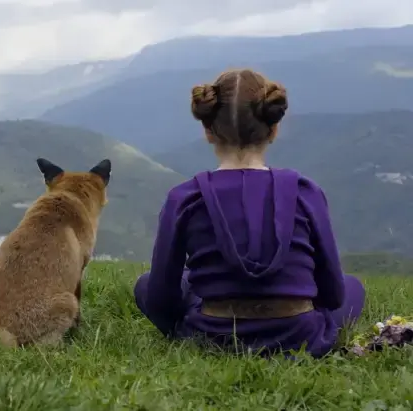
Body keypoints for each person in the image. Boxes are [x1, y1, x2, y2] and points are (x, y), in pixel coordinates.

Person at [133, 69, 366, 358]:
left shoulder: (184, 198)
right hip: (300, 335)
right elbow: (333, 293)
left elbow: (160, 298)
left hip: (210, 333)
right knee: (352, 286)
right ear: (273, 129)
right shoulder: (305, 192)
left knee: (146, 284)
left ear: (208, 130)